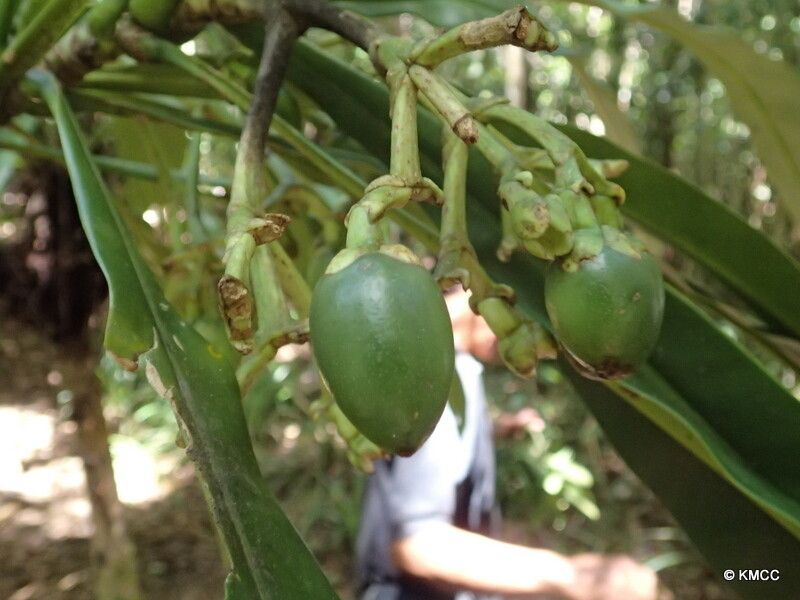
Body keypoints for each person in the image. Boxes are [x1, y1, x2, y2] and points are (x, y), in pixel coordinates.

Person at [356, 291, 659, 600]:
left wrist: (497, 428)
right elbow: (420, 544)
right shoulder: (436, 385)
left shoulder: (433, 368)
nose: (534, 346)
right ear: (476, 286)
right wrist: (572, 577)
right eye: (527, 320)